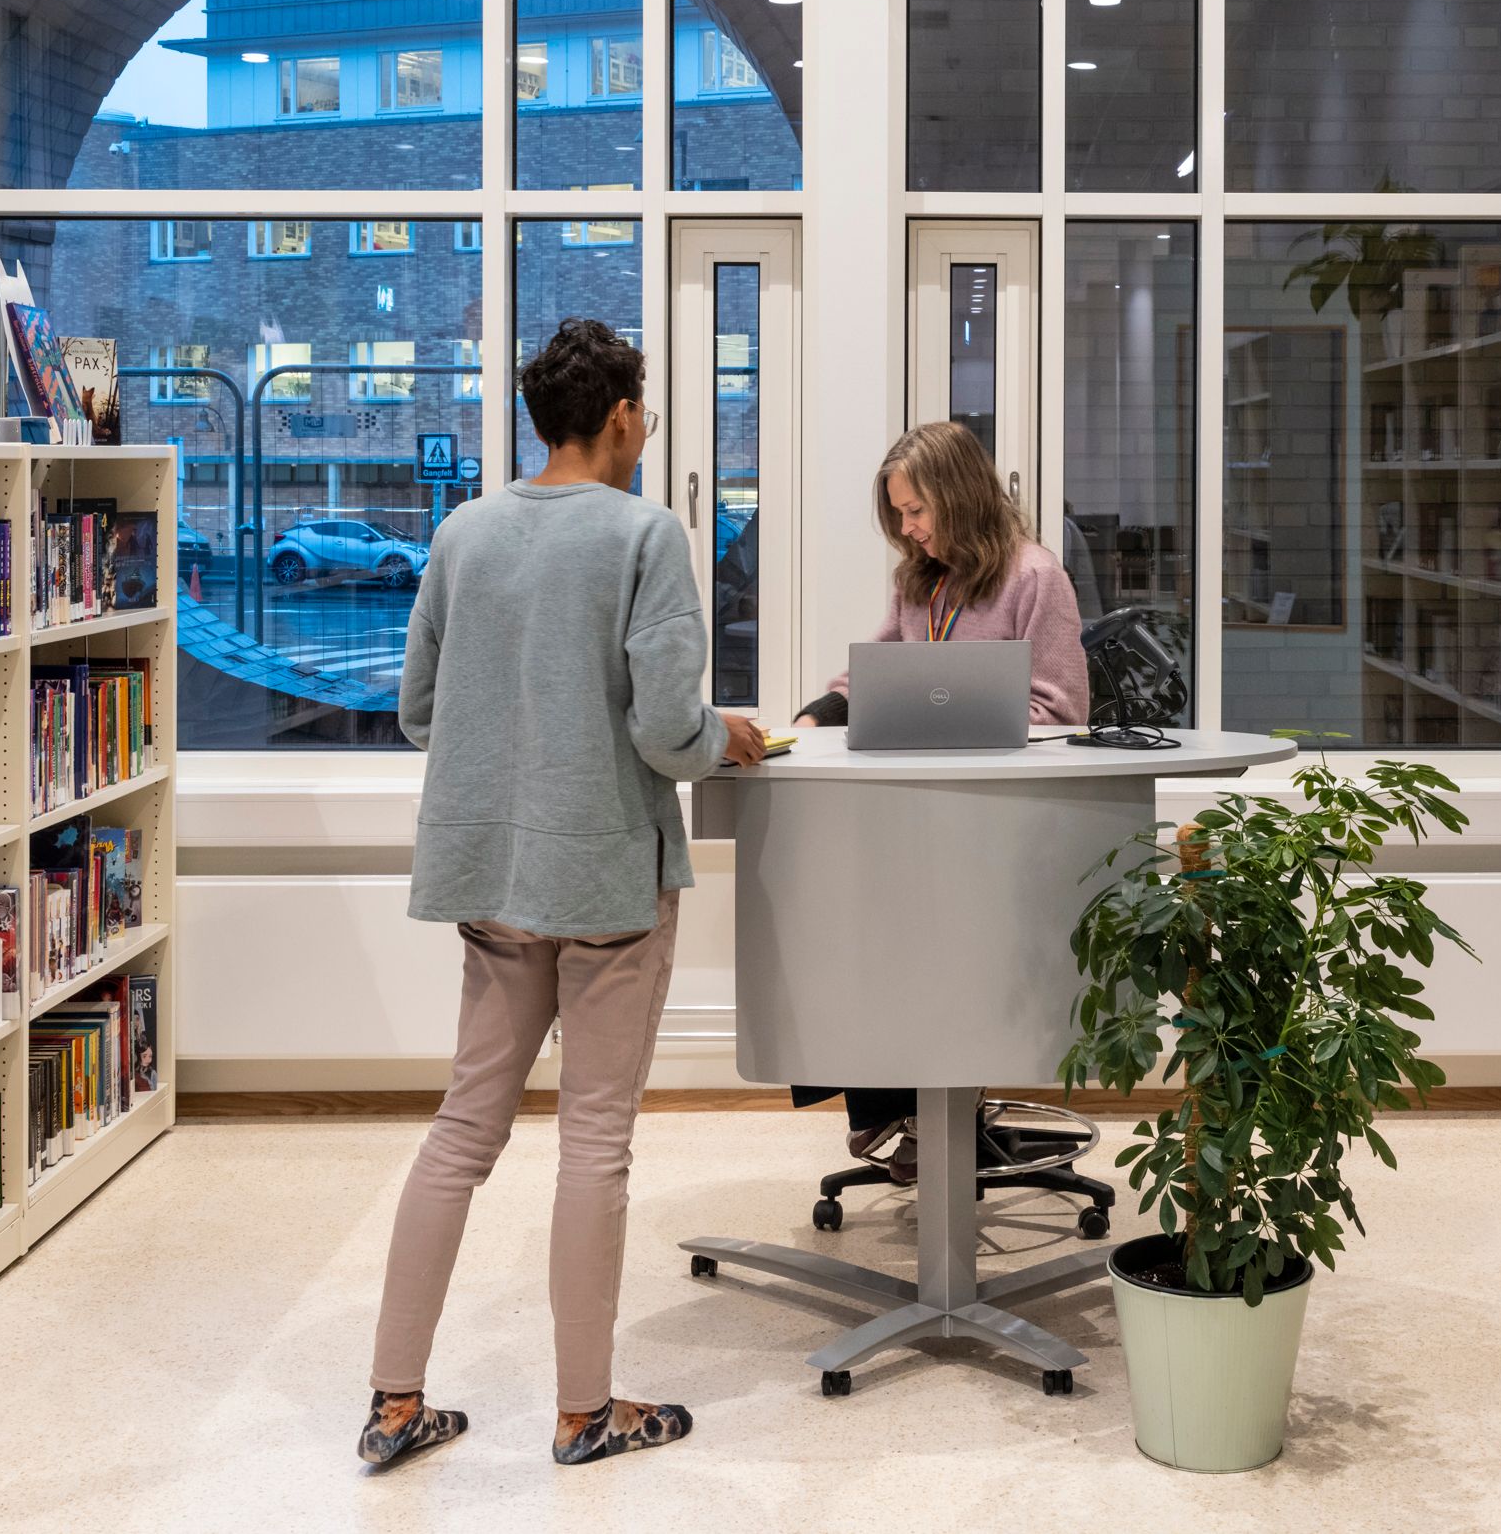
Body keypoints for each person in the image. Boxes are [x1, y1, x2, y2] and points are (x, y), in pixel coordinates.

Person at [359, 318, 766, 1474]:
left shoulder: (463, 531)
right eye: (644, 411)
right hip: (605, 880)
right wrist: (721, 738)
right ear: (623, 416)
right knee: (595, 1139)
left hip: (492, 879)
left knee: (461, 1131)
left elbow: (420, 710)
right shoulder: (646, 532)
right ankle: (586, 1412)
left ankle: (394, 1403)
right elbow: (663, 727)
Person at [787, 421, 1089, 1179]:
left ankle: (910, 1107)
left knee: (908, 934)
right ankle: (895, 1101)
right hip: (922, 820)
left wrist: (966, 720)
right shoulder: (918, 584)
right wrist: (819, 713)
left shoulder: (1033, 577)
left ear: (957, 496)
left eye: (916, 511)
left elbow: (1061, 710)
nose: (908, 529)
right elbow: (878, 672)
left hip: (1002, 828)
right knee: (844, 917)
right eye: (898, 515)